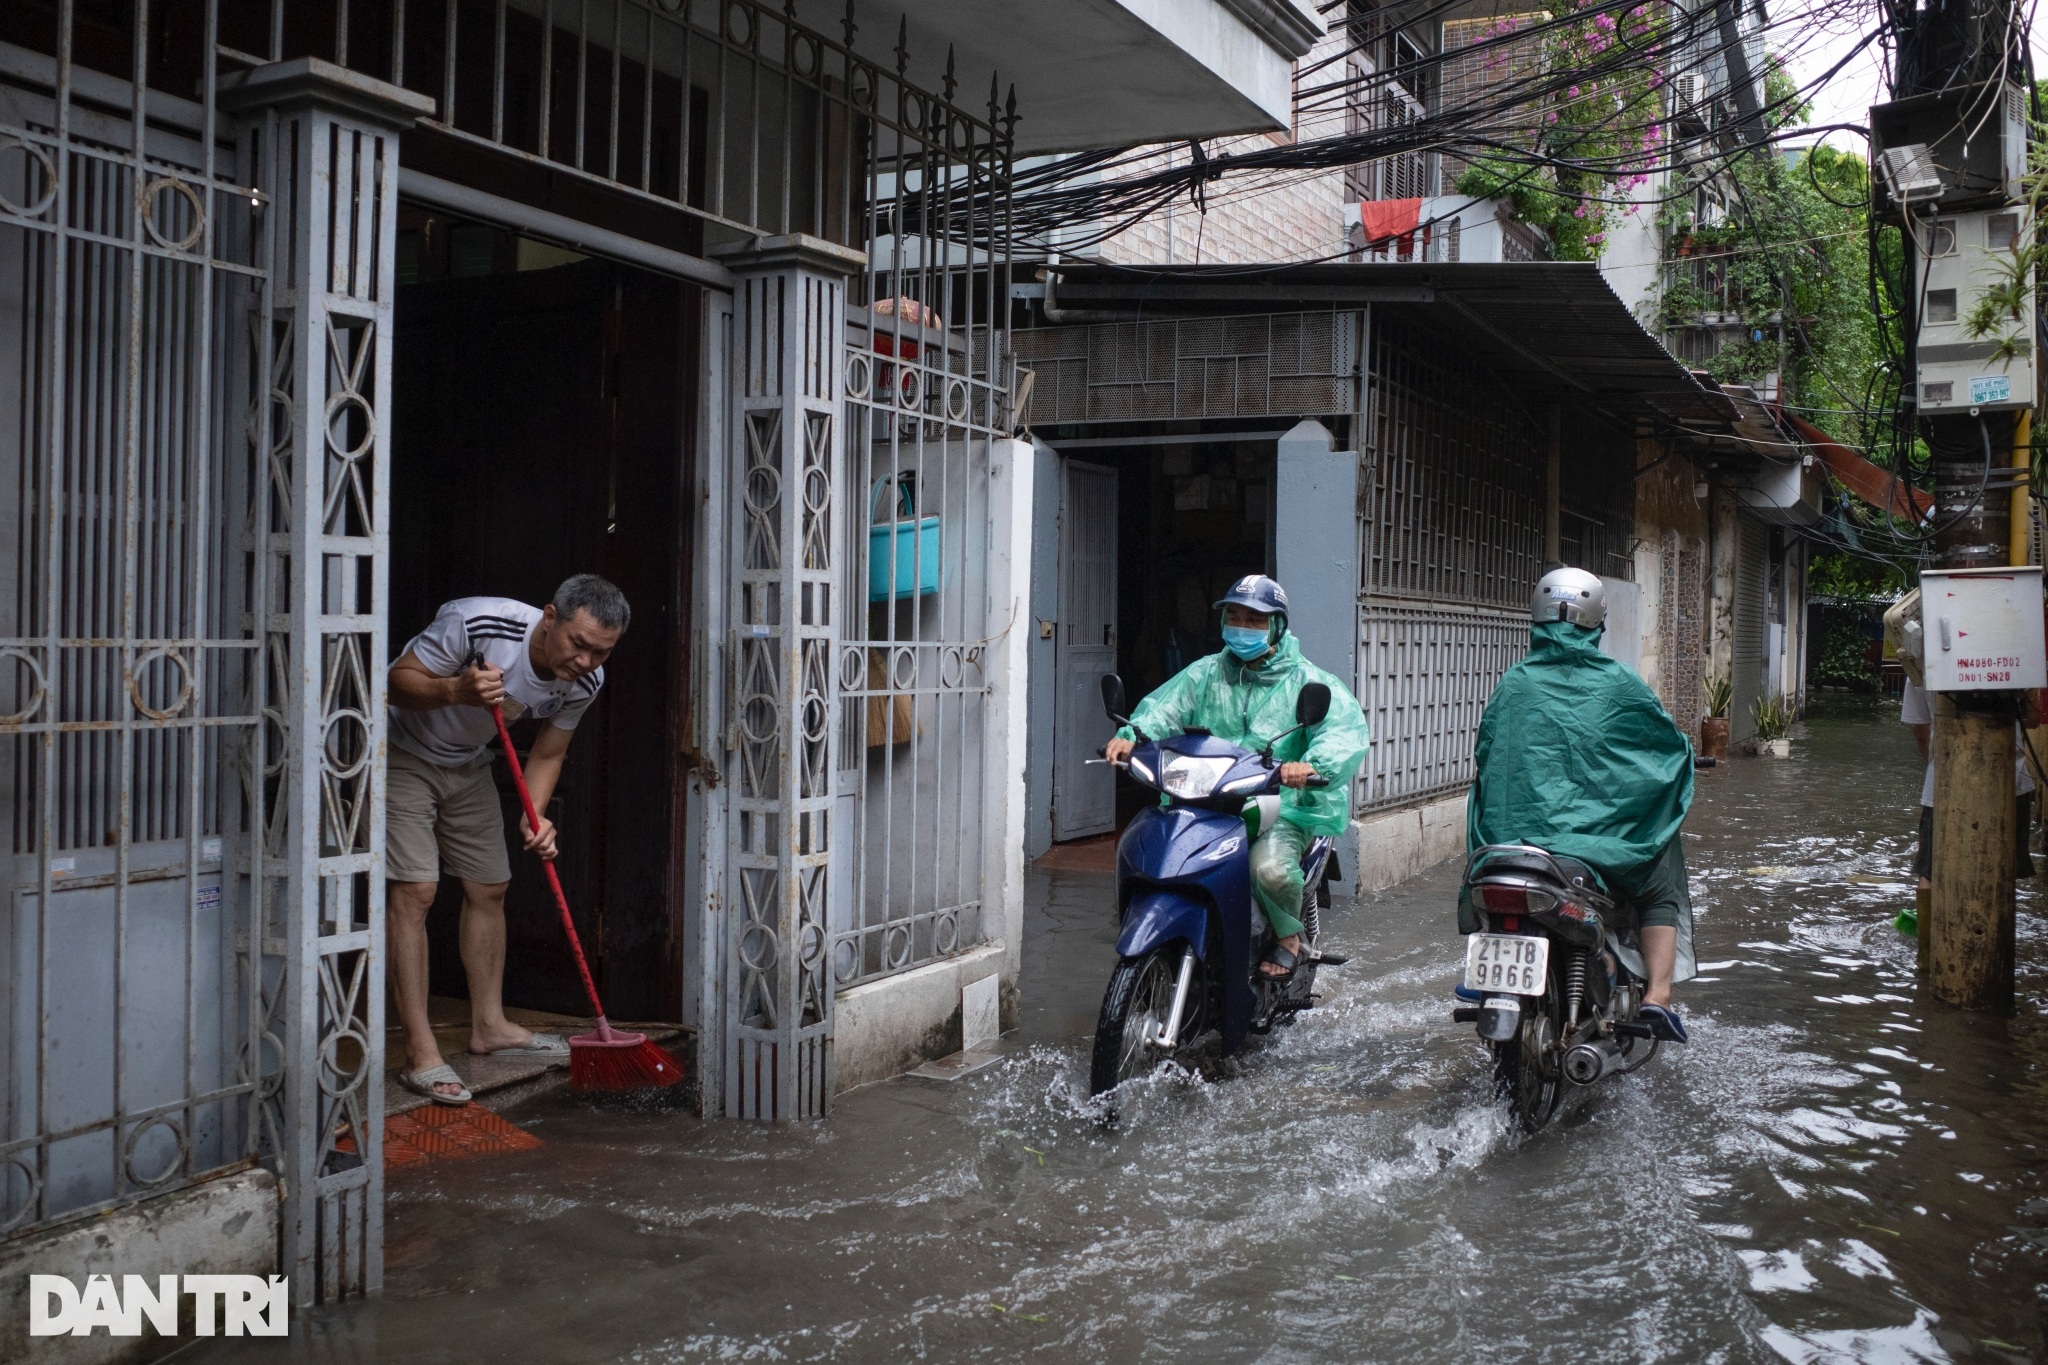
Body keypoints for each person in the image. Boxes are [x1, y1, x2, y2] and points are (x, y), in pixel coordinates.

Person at [385, 574, 629, 1104]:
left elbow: (547, 754)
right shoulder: (478, 623)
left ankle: (489, 1026)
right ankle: (420, 1049)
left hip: (468, 763)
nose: (586, 661)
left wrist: (535, 815)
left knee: (491, 887)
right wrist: (455, 689)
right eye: (578, 644)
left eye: (601, 652)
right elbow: (395, 681)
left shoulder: (587, 681)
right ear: (549, 616)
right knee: (416, 891)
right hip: (399, 751)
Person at [1467, 567, 1696, 1042]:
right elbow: (1666, 750)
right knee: (1660, 882)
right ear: (1598, 623)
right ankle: (1657, 998)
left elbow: (1489, 763)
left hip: (1512, 846)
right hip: (1593, 850)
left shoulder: (1513, 685)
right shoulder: (1620, 684)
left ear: (1536, 619)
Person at [1104, 575, 1370, 979]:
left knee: (1270, 870)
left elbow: (1341, 731)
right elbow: (1164, 710)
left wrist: (1312, 765)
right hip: (1204, 798)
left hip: (1279, 805)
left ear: (1277, 627)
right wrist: (1131, 736)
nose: (1241, 626)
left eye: (1254, 619)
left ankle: (1288, 938)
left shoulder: (1307, 681)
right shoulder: (1205, 673)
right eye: (1234, 616)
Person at [1900, 675, 2035, 902]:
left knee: (1930, 871)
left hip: (1944, 784)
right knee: (2002, 869)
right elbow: (2032, 717)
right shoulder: (2012, 656)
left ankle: (1926, 935)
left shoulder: (1920, 663)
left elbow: (1921, 733)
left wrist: (1938, 768)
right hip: (2010, 780)